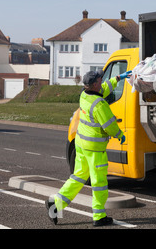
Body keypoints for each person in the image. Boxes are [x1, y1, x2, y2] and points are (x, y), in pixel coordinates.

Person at [46, 69, 131, 227]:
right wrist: (120, 134)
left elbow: (104, 89)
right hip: (94, 149)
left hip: (81, 144)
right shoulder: (99, 105)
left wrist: (118, 78)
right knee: (99, 183)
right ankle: (99, 216)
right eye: (100, 79)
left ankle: (56, 203)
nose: (102, 80)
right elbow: (110, 126)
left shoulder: (84, 95)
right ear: (94, 84)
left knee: (78, 177)